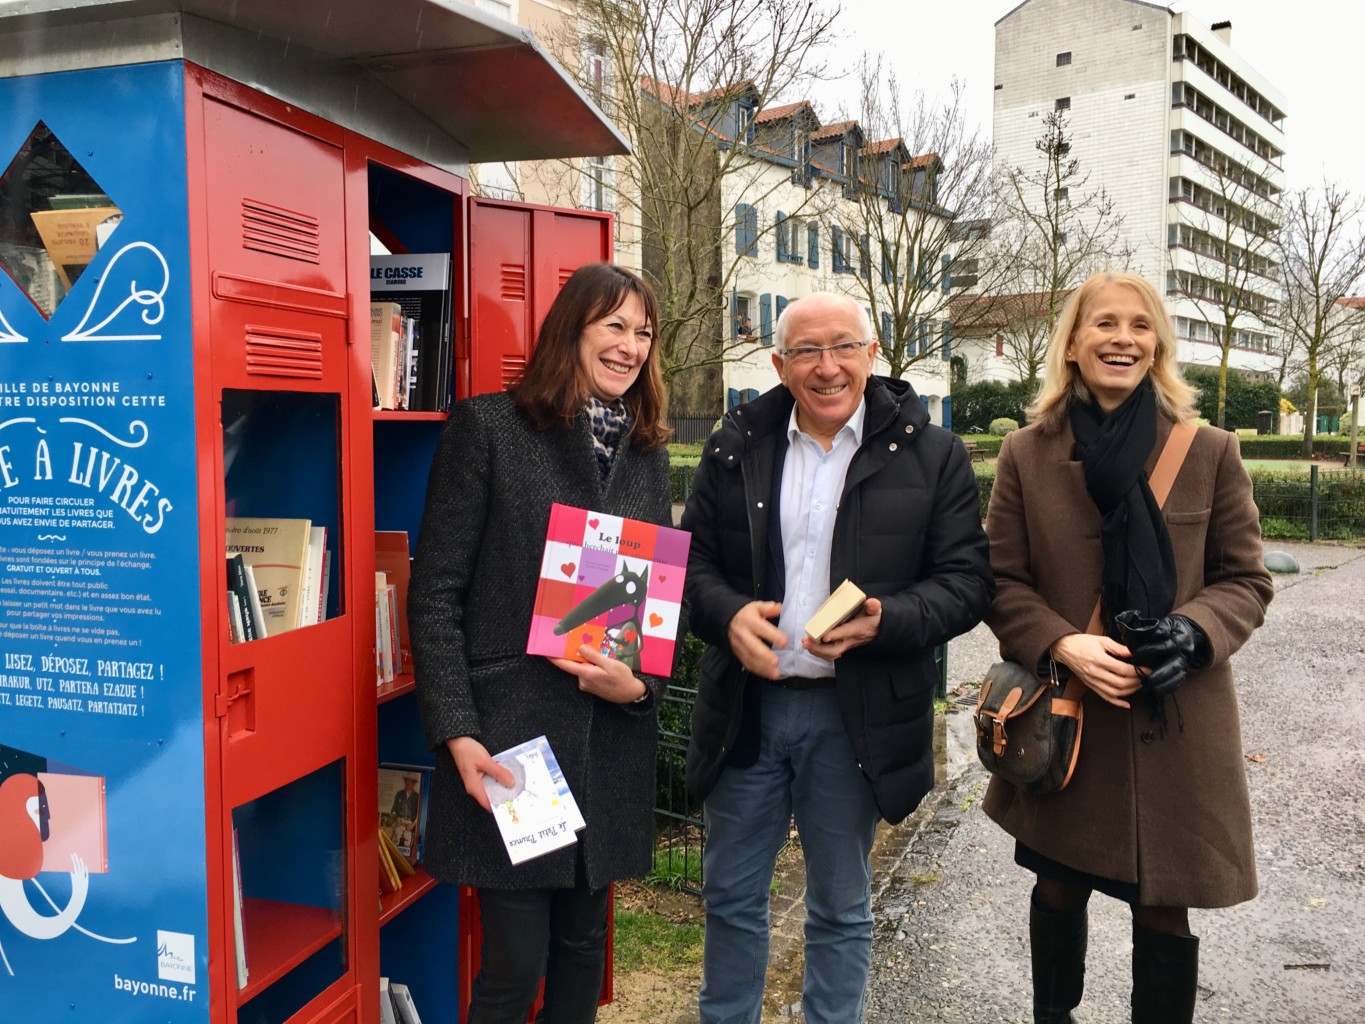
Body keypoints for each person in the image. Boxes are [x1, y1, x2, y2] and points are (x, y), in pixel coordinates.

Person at [681, 292, 993, 1024]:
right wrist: (726, 617)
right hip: (745, 712)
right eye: (806, 353)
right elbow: (689, 561)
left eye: (843, 347)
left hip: (854, 716)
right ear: (777, 364)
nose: (827, 368)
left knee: (840, 906)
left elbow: (966, 583)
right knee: (729, 897)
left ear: (872, 352)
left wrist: (887, 619)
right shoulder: (735, 446)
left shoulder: (933, 453)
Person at [980, 272, 1274, 1023]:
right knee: (1054, 885)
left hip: (1172, 720)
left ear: (1157, 346)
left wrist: (1192, 630)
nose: (1122, 338)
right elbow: (1000, 581)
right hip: (1068, 709)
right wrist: (1063, 643)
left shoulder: (1208, 450)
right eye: (1103, 324)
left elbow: (1243, 580)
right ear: (1072, 344)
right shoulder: (1024, 453)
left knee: (1162, 909)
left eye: (1139, 326)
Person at [408, 262, 676, 1024]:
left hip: (607, 742)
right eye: (614, 327)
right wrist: (456, 732)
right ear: (572, 331)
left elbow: (657, 599)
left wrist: (640, 687)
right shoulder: (488, 428)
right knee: (512, 968)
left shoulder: (648, 451)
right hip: (511, 742)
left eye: (644, 333)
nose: (630, 346)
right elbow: (435, 598)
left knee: (582, 951)